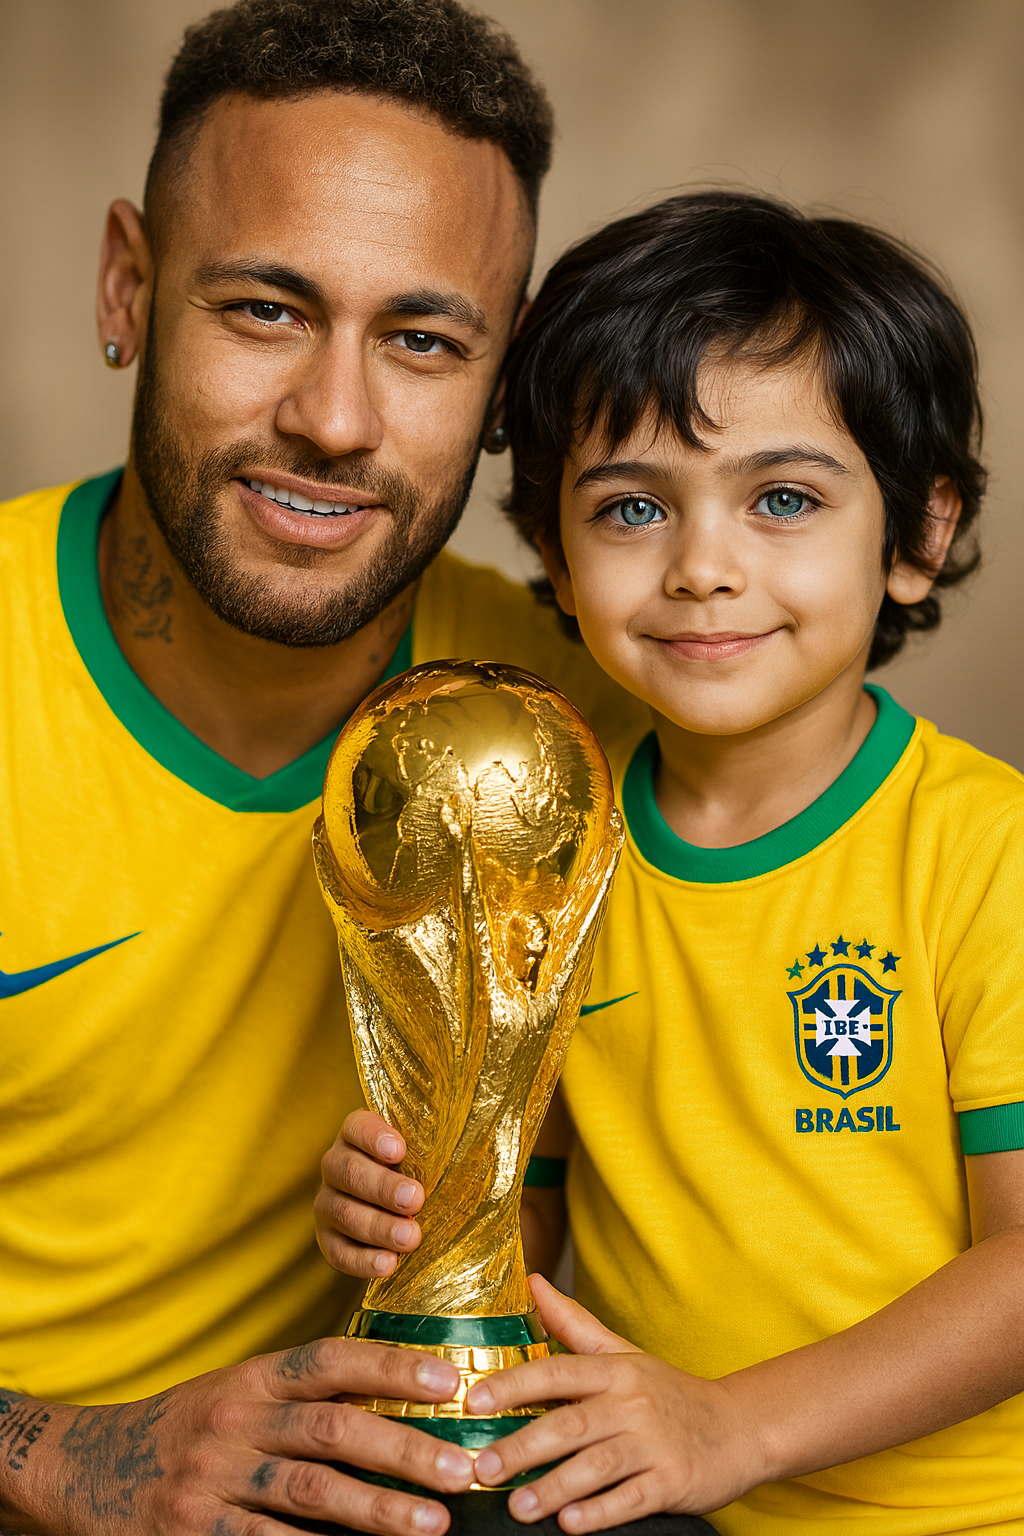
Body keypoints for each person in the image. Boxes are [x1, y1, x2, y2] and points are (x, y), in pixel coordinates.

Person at [0, 3, 650, 1532]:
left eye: (422, 340)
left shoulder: (589, 723)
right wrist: (77, 1461)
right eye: (265, 310)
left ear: (506, 374)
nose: (334, 422)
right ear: (128, 287)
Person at [320, 192, 1024, 1535]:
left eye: (782, 499)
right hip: (643, 1508)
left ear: (919, 538)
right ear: (553, 551)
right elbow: (526, 1224)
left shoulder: (988, 855)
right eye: (634, 508)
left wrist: (737, 1426)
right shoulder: (545, 849)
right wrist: (414, 1220)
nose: (703, 566)